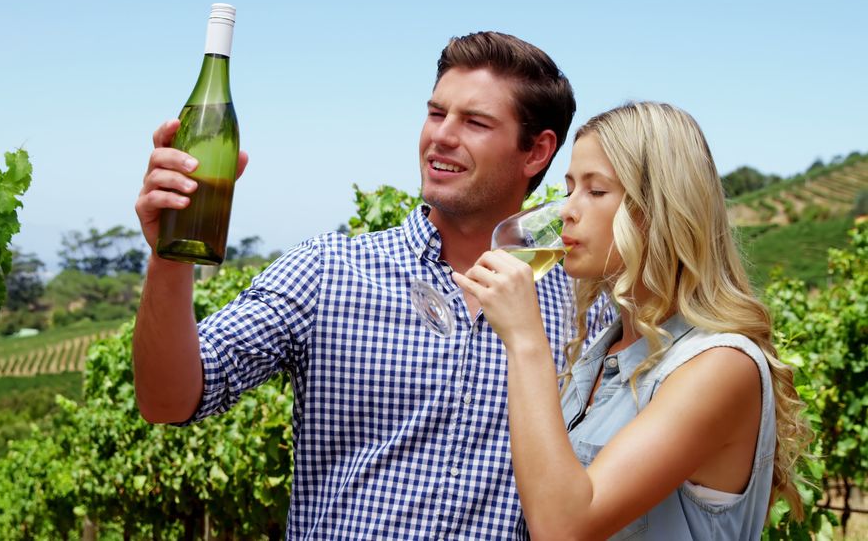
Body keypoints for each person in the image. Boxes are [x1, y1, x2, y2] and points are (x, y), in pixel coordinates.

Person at [132, 31, 606, 539]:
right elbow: (168, 400)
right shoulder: (327, 270)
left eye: (475, 122)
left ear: (536, 152)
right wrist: (169, 258)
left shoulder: (588, 310)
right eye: (436, 113)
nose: (441, 136)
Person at [454, 101, 813, 540]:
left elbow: (563, 527)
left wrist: (525, 341)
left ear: (658, 209)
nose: (566, 210)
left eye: (596, 191)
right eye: (569, 189)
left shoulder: (720, 365)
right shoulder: (603, 352)